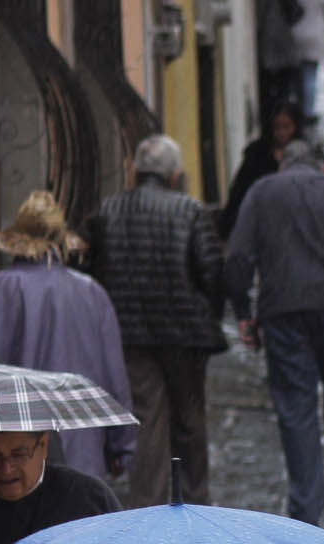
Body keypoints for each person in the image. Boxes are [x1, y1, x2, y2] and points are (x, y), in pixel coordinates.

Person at [225, 139, 324, 526]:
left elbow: (238, 258)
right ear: (322, 166)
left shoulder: (261, 192)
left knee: (297, 407)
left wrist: (244, 313)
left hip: (284, 313)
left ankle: (306, 506)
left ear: (284, 164)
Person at [83, 134, 227, 507]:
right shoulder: (189, 210)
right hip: (185, 335)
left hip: (130, 334)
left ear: (136, 172)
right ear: (174, 174)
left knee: (147, 421)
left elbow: (94, 271)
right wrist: (208, 316)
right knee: (189, 420)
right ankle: (195, 500)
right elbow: (211, 272)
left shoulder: (108, 210)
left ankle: (149, 505)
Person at [0, 191, 136, 483]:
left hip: (10, 456)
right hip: (81, 452)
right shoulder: (91, 294)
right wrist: (122, 446)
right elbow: (114, 380)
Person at [220, 102, 305, 242]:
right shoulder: (256, 153)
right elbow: (239, 190)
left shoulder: (307, 154)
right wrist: (225, 229)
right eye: (277, 127)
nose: (281, 133)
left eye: (286, 127)